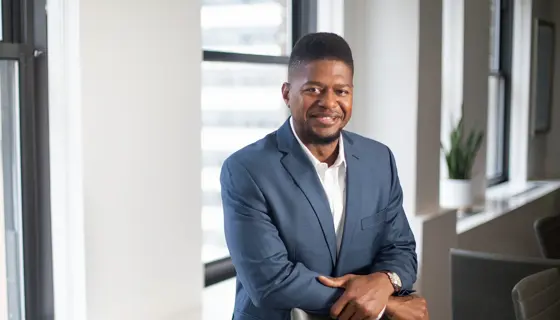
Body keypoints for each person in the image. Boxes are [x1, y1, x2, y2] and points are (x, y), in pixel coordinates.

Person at [221, 32, 428, 320]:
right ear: (286, 93)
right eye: (313, 90)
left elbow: (400, 248)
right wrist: (383, 305)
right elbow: (270, 281)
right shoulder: (246, 170)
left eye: (341, 91)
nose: (329, 102)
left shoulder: (380, 160)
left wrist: (385, 282)